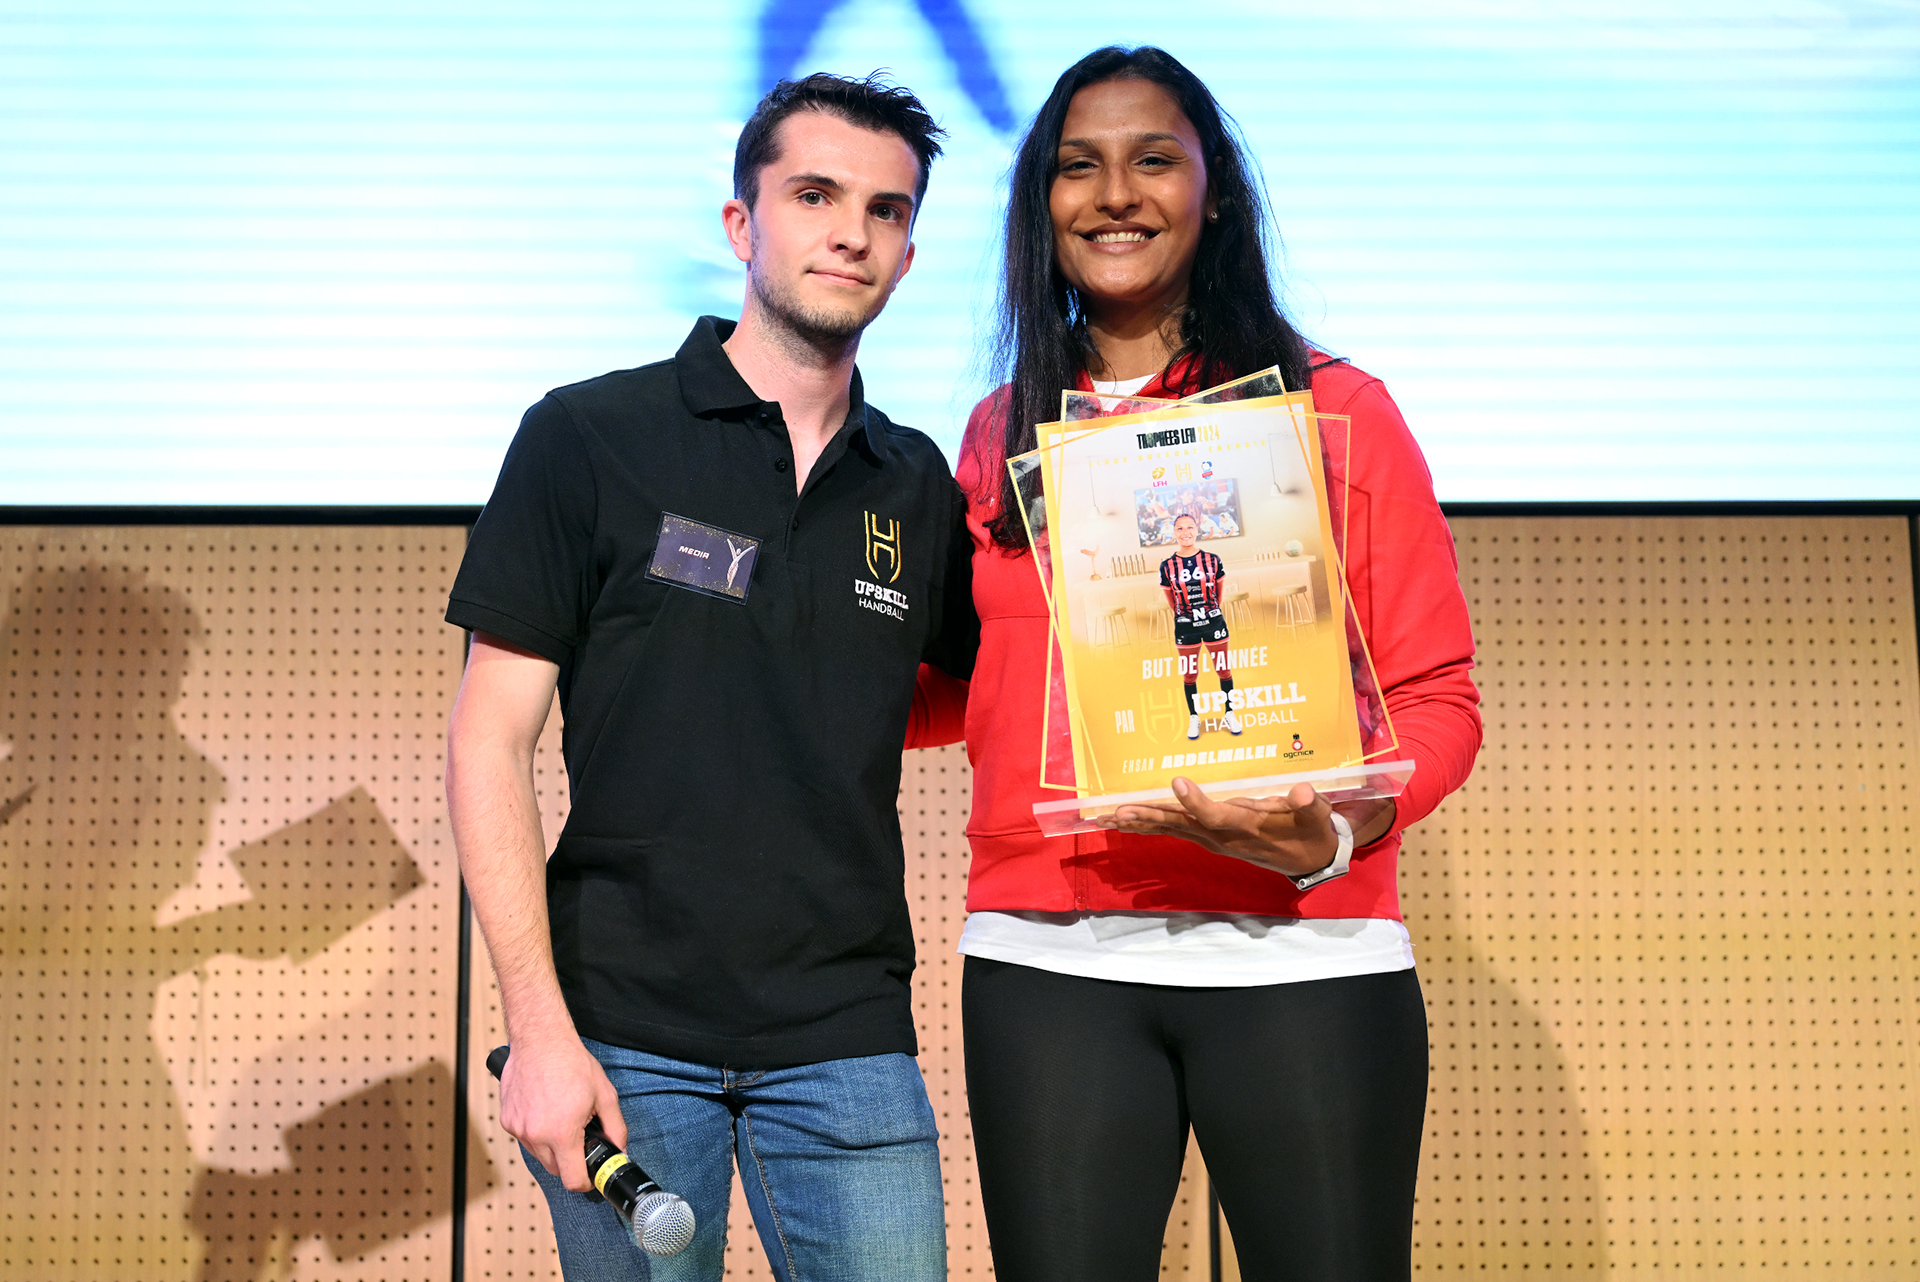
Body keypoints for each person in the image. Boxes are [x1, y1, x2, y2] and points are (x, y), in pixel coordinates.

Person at [906, 45, 1481, 1281]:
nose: (1115, 194)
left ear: (1214, 193)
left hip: (1304, 945)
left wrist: (1339, 829)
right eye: (1079, 167)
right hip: (1050, 956)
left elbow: (1439, 699)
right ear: (1041, 204)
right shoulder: (1001, 432)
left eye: (1154, 160)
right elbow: (963, 687)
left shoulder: (1338, 412)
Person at [446, 73, 977, 1282]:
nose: (852, 232)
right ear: (742, 224)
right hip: (621, 1032)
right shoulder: (589, 435)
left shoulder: (916, 484)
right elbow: (489, 741)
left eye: (886, 211)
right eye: (814, 195)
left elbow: (980, 691)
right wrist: (538, 1029)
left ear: (906, 257)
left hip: (847, 1037)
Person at [1157, 511, 1238, 740]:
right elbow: (1172, 600)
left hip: (1213, 623)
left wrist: (1210, 612)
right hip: (1186, 627)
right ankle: (1194, 717)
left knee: (1223, 670)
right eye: (1180, 528)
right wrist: (1185, 615)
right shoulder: (1167, 565)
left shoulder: (1213, 559)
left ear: (1197, 530)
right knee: (1190, 674)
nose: (1185, 532)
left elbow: (1218, 594)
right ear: (1174, 533)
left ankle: (1230, 713)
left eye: (1190, 527)